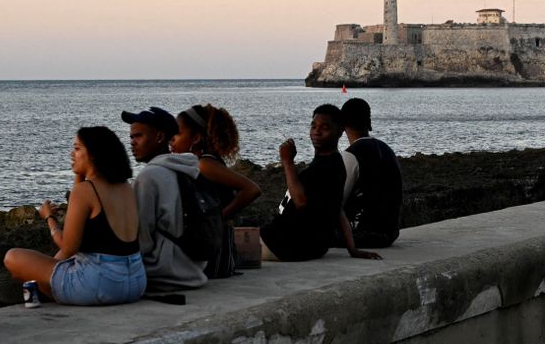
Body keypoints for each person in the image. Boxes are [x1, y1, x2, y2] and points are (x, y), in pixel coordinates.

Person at [4, 127, 146, 305]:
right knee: (63, 261)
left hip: (101, 285)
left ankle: (46, 290)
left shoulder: (86, 191)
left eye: (77, 149)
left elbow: (68, 246)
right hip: (135, 282)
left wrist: (49, 218)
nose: (72, 154)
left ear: (93, 155)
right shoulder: (125, 187)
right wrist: (80, 173)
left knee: (13, 257)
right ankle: (47, 287)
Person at [259, 104, 382, 263]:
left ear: (339, 131)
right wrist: (352, 249)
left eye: (325, 127)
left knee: (227, 242)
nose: (317, 131)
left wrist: (288, 162)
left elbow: (301, 201)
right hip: (308, 245)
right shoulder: (335, 163)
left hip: (285, 244)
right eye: (313, 126)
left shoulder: (327, 167)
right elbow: (337, 209)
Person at [122, 107, 209, 293]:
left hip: (164, 273)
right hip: (193, 268)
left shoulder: (148, 177)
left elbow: (141, 241)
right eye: (131, 137)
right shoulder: (188, 169)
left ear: (160, 137)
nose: (132, 143)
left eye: (138, 136)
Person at [171, 104, 260, 278]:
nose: (171, 140)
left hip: (216, 257)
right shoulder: (200, 163)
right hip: (215, 249)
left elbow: (252, 189)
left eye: (177, 134)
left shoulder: (205, 164)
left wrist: (219, 218)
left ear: (196, 138)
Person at [338, 97, 403, 248]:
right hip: (390, 233)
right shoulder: (387, 150)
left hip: (362, 234)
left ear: (342, 126)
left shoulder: (351, 155)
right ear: (369, 123)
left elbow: (336, 202)